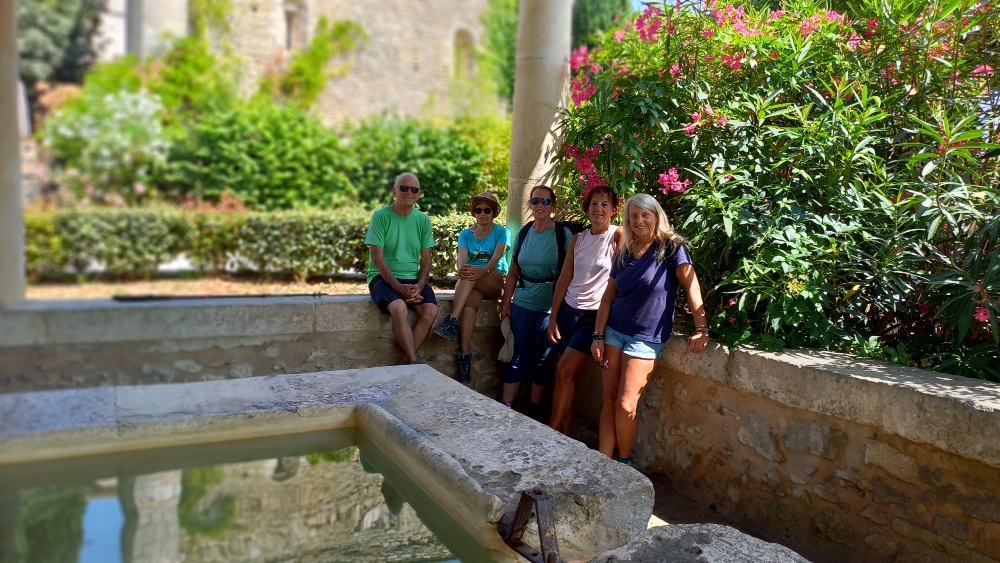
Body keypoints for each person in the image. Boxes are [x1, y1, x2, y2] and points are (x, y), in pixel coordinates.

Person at [591, 193, 709, 466]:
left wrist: (701, 328)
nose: (639, 220)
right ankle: (602, 462)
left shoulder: (672, 248)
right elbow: (608, 297)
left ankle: (622, 463)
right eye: (634, 215)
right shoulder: (625, 251)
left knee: (626, 405)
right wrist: (597, 336)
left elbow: (691, 286)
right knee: (609, 398)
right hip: (613, 332)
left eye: (645, 214)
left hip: (646, 338)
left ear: (656, 216)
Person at [547, 186, 622, 435]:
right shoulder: (578, 239)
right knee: (566, 377)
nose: (598, 209)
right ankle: (565, 433)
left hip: (593, 316)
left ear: (614, 210)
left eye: (604, 204)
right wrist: (554, 317)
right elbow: (564, 279)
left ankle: (550, 434)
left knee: (563, 372)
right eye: (593, 204)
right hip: (568, 311)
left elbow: (621, 278)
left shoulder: (617, 235)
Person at [499, 186, 573, 415]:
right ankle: (506, 408)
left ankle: (534, 410)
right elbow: (513, 271)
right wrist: (506, 303)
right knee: (515, 355)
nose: (540, 205)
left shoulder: (563, 235)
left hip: (550, 307)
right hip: (522, 303)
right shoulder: (524, 232)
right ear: (530, 204)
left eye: (545, 201)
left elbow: (572, 272)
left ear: (553, 205)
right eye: (535, 201)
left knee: (543, 359)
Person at [432, 193, 510, 383]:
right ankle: (464, 358)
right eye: (478, 210)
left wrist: (482, 270)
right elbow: (461, 257)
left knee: (469, 275)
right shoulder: (466, 234)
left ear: (494, 213)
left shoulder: (502, 232)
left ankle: (452, 320)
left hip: (496, 278)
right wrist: (461, 269)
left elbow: (497, 257)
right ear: (473, 212)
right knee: (468, 307)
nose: (482, 213)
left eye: (487, 210)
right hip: (473, 281)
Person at [365, 172, 438, 365]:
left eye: (414, 189)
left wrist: (420, 285)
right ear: (394, 191)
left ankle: (406, 362)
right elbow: (377, 259)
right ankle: (413, 363)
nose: (409, 192)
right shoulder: (380, 216)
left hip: (412, 279)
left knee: (430, 311)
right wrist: (398, 288)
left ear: (419, 194)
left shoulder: (423, 220)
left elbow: (426, 259)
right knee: (399, 307)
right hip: (381, 278)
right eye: (403, 188)